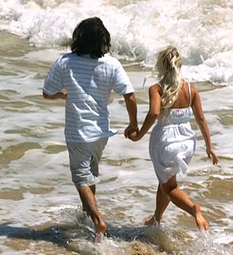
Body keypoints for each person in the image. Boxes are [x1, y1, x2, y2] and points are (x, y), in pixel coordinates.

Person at [42, 17, 138, 243]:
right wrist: (133, 123)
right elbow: (129, 95)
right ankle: (87, 216)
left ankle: (97, 222)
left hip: (77, 131)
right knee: (90, 174)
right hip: (101, 132)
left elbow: (47, 92)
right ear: (103, 40)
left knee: (81, 179)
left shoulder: (65, 62)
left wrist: (62, 95)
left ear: (78, 38)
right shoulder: (112, 64)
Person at [128, 46, 219, 230]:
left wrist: (138, 135)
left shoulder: (157, 89)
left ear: (162, 65)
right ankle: (156, 218)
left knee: (170, 188)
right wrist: (209, 146)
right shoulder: (190, 89)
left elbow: (154, 113)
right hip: (186, 142)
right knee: (166, 182)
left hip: (166, 142)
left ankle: (194, 210)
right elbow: (201, 119)